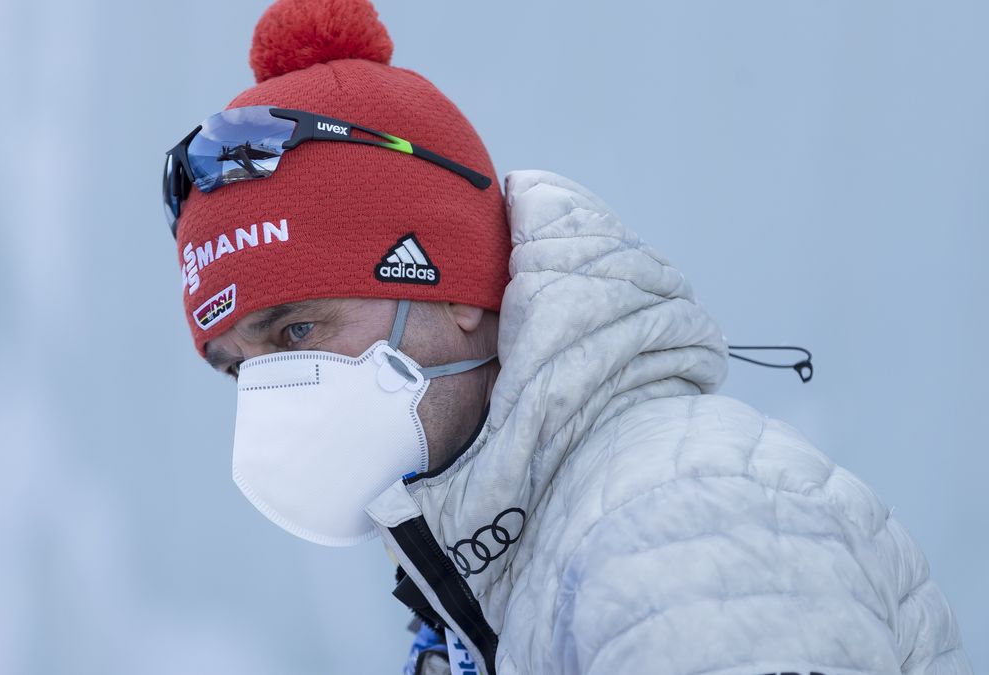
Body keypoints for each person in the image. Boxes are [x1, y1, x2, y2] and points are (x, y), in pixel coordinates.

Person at [162, 1, 972, 673]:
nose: (271, 394)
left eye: (299, 329)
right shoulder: (502, 570)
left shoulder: (683, 523)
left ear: (452, 292)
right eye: (238, 368)